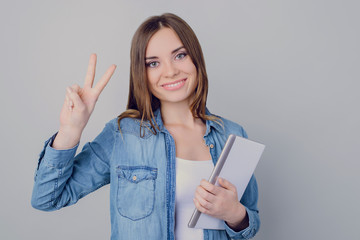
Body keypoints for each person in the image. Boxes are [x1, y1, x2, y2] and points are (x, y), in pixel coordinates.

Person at [31, 13, 260, 240]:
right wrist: (70, 130)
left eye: (180, 55)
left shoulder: (232, 134)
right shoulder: (122, 134)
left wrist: (235, 214)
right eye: (153, 63)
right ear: (142, 74)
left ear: (196, 59)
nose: (170, 71)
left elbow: (249, 224)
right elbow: (47, 198)